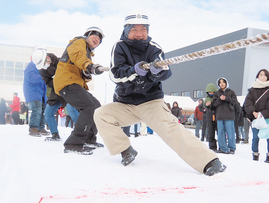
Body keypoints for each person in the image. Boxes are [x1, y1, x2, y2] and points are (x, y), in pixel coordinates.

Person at [93, 12, 226, 176]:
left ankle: (209, 162)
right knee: (101, 114)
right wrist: (134, 70)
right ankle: (125, 150)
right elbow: (115, 75)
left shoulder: (154, 48)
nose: (139, 33)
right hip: (125, 104)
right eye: (134, 29)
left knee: (171, 129)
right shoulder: (119, 47)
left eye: (143, 29)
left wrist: (156, 71)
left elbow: (166, 72)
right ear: (126, 30)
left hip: (151, 103)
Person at [53, 27, 106, 154]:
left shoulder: (88, 52)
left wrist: (88, 73)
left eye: (99, 39)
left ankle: (89, 139)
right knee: (88, 107)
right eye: (94, 36)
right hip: (67, 82)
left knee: (97, 107)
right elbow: (78, 56)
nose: (97, 39)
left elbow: (82, 69)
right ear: (87, 35)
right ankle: (73, 144)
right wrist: (90, 66)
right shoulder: (79, 42)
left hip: (75, 83)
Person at [244, 69, 269, 163]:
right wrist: (253, 112)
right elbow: (247, 103)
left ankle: (268, 156)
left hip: (267, 118)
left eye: (265, 75)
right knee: (255, 137)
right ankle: (255, 154)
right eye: (260, 74)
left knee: (268, 137)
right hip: (255, 118)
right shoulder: (252, 90)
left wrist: (263, 114)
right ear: (257, 76)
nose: (262, 77)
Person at [23, 47, 50, 136]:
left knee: (44, 110)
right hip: (33, 93)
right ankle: (33, 128)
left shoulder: (43, 66)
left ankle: (40, 128)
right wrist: (42, 77)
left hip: (42, 94)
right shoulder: (32, 65)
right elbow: (30, 77)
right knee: (37, 109)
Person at [213, 77, 237, 154]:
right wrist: (220, 99)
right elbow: (214, 104)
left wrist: (226, 98)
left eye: (223, 82)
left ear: (226, 83)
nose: (222, 84)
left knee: (230, 133)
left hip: (229, 116)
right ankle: (223, 148)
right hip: (219, 116)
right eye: (220, 82)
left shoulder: (231, 92)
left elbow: (234, 101)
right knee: (220, 133)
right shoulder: (216, 94)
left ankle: (232, 148)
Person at [203, 83, 218, 151]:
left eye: (211, 92)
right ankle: (212, 147)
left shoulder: (217, 96)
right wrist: (206, 104)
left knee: (219, 132)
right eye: (209, 92)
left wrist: (211, 104)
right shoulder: (207, 97)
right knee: (210, 132)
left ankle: (221, 146)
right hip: (209, 116)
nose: (210, 93)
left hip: (217, 115)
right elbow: (204, 105)